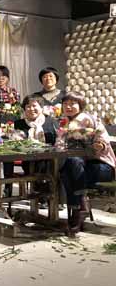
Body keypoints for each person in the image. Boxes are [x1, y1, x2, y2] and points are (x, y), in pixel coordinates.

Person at [57, 92, 116, 233]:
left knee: (69, 170)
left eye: (73, 104)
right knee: (68, 169)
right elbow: (59, 145)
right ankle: (80, 210)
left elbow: (103, 141)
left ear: (81, 105)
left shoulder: (91, 120)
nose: (68, 107)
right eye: (65, 104)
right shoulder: (63, 123)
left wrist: (99, 145)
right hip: (78, 166)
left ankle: (78, 209)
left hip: (102, 166)